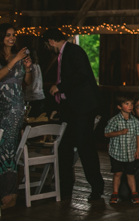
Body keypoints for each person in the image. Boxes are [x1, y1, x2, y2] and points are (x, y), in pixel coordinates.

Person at [44, 28, 105, 202]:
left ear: (51, 41)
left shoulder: (74, 51)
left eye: (47, 45)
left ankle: (97, 187)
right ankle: (65, 187)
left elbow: (81, 74)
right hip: (70, 109)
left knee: (85, 148)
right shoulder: (65, 53)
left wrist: (60, 87)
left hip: (82, 109)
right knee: (64, 148)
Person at [0, 24, 33, 209]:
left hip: (16, 106)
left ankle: (9, 193)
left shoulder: (22, 57)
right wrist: (15, 59)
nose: (12, 38)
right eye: (8, 35)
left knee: (10, 148)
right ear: (1, 37)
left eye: (14, 35)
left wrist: (28, 68)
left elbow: (26, 83)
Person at [104, 96, 139, 204]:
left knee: (130, 173)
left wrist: (138, 150)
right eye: (126, 104)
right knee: (118, 173)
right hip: (117, 152)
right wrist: (119, 132)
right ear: (119, 107)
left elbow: (138, 135)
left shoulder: (135, 121)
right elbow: (106, 133)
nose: (130, 106)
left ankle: (134, 193)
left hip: (130, 153)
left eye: (131, 104)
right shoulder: (114, 120)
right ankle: (115, 193)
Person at [24, 50, 45, 117]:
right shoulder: (37, 65)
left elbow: (28, 83)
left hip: (31, 98)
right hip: (39, 97)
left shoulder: (30, 67)